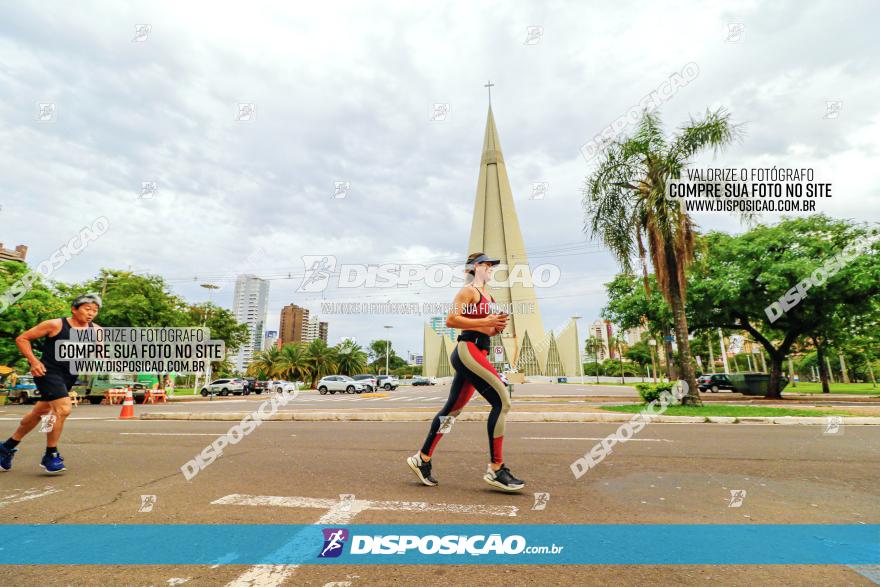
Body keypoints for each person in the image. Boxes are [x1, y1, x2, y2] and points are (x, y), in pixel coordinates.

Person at [407, 252, 524, 492]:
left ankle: (422, 458)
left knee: (452, 411)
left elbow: (486, 328)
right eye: (486, 264)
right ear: (474, 268)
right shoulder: (469, 291)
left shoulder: (488, 294)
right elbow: (451, 320)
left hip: (479, 351)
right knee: (502, 403)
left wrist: (495, 327)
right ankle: (496, 468)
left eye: (492, 265)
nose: (491, 268)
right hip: (467, 350)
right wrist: (485, 322)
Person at [0, 293, 101, 474]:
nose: (91, 313)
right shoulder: (55, 324)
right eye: (87, 309)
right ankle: (50, 455)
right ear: (74, 309)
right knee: (63, 409)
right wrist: (33, 361)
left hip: (69, 376)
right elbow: (22, 339)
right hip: (47, 372)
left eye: (95, 310)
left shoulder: (96, 331)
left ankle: (7, 447)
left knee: (40, 412)